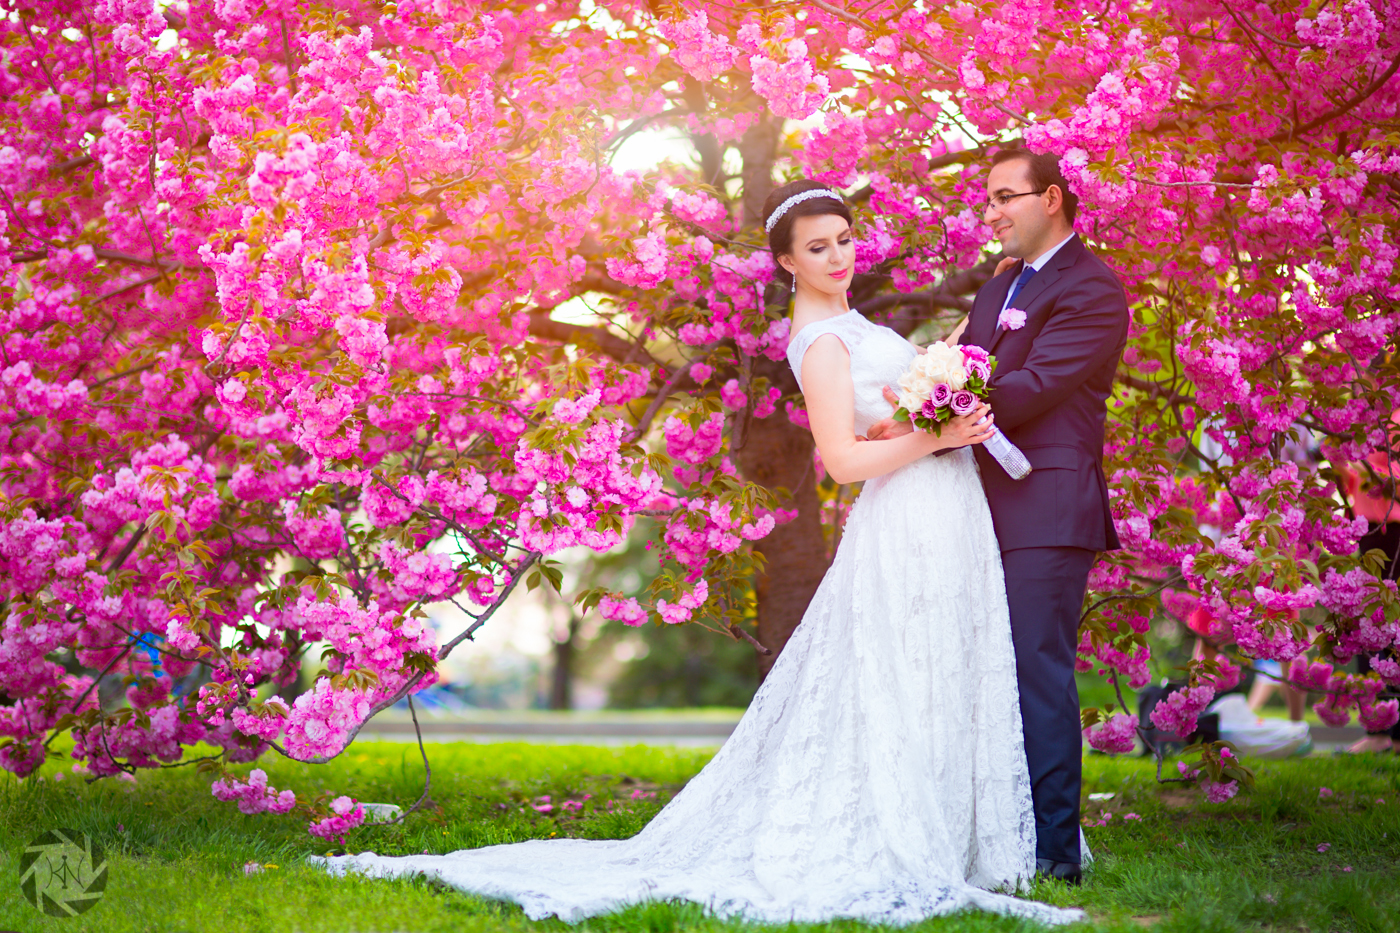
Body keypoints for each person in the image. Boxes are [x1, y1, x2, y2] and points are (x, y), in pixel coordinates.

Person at [307, 179, 1083, 927]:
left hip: (946, 506)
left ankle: (965, 831)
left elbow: (889, 407)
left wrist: (954, 364)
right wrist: (936, 435)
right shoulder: (816, 342)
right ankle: (906, 830)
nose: (839, 257)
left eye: (845, 240)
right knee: (905, 668)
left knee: (947, 663)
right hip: (906, 514)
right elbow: (840, 462)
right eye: (818, 248)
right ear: (786, 262)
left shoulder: (858, 327)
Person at [869, 148, 1129, 883]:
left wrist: (934, 409)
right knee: (982, 670)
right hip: (973, 501)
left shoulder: (1094, 289)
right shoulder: (1001, 283)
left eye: (1003, 197)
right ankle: (993, 836)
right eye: (986, 200)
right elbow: (968, 361)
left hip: (1045, 502)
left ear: (1051, 197)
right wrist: (918, 408)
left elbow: (1035, 384)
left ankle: (1053, 855)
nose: (990, 213)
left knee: (1035, 671)